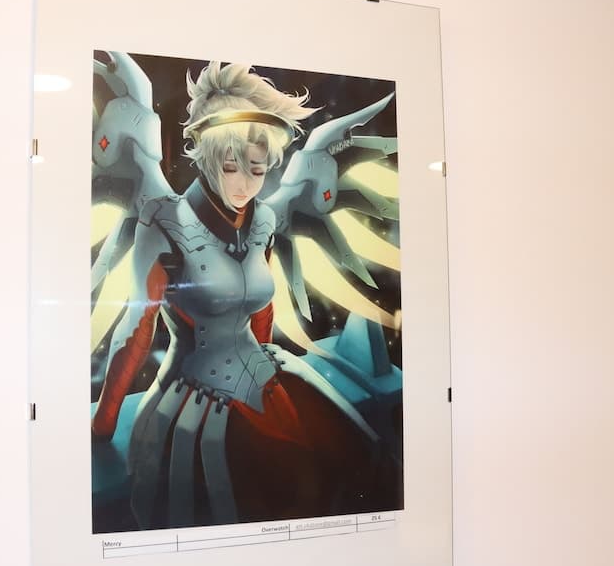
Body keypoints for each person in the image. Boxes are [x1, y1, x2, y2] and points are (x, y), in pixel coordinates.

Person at [91, 61, 392, 530]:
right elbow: (137, 328)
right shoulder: (162, 221)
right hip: (197, 400)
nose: (244, 184)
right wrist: (103, 422)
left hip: (267, 380)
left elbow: (261, 306)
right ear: (205, 155)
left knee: (357, 460)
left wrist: (267, 359)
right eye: (230, 166)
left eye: (257, 168)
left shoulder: (264, 220)